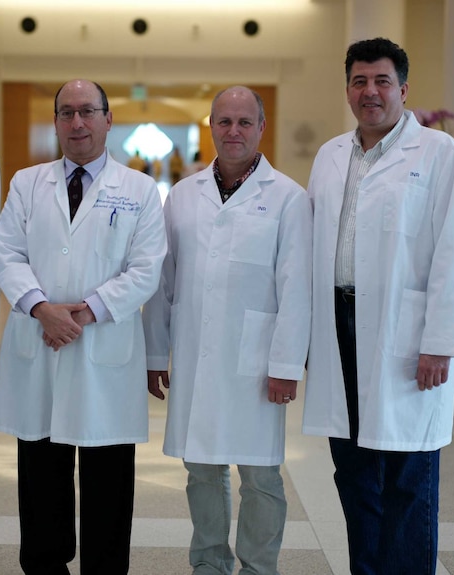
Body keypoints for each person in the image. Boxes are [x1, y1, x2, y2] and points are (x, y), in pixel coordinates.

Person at [302, 37, 454, 575]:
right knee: (353, 472)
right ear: (348, 90)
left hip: (405, 334)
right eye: (359, 81)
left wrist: (439, 343)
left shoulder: (440, 153)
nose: (370, 92)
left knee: (407, 475)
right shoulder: (331, 154)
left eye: (382, 81)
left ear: (403, 89)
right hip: (339, 324)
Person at [0, 79, 167, 574]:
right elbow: (7, 253)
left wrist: (83, 312)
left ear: (109, 120)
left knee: (109, 480)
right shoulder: (27, 182)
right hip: (40, 341)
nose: (77, 123)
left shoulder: (138, 190)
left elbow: (146, 268)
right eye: (66, 113)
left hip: (102, 349)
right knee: (41, 477)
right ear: (56, 121)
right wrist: (42, 308)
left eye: (88, 112)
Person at [143, 86, 311, 575]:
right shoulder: (182, 195)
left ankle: (259, 567)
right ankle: (209, 563)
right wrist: (156, 355)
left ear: (261, 128)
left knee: (260, 475)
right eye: (224, 122)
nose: (233, 131)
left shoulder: (289, 198)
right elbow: (163, 284)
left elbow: (296, 289)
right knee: (201, 469)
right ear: (210, 127)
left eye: (244, 122)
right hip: (196, 355)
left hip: (256, 363)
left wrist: (284, 365)